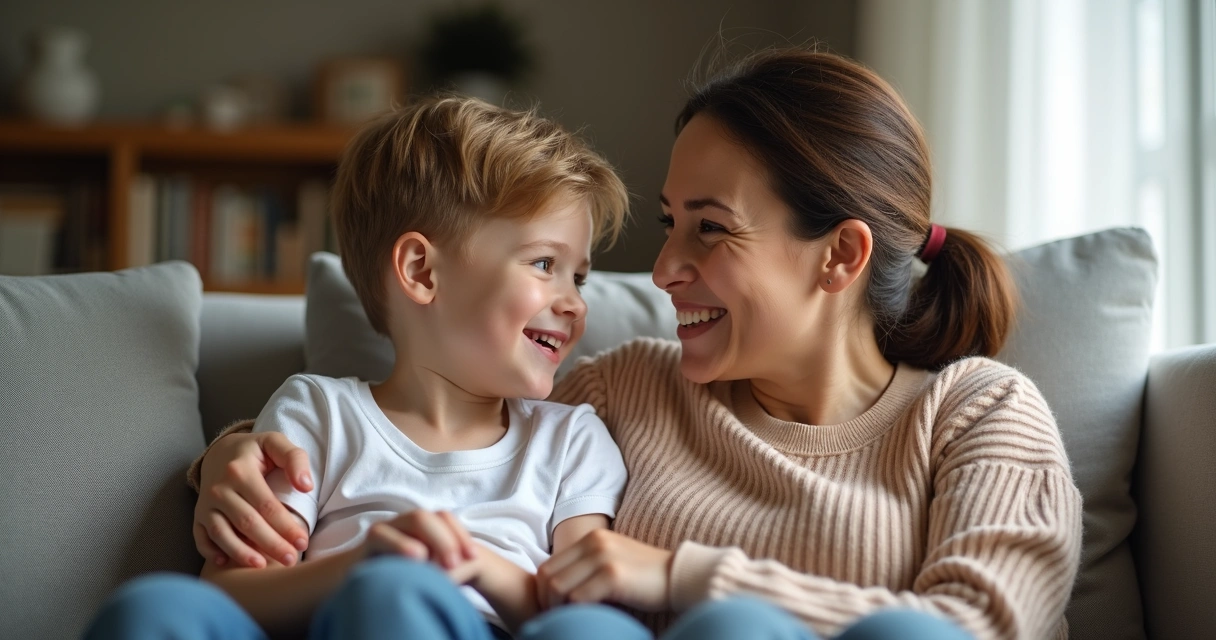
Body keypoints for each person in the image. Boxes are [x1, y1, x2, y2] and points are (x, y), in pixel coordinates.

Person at [183, 48, 1084, 640]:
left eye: (710, 229)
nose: (660, 271)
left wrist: (683, 577)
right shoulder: (622, 393)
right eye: (667, 225)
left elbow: (985, 629)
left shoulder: (977, 413)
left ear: (840, 255)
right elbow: (446, 427)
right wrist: (229, 462)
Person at [85, 96, 632, 639]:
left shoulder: (570, 441)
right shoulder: (319, 413)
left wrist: (472, 568)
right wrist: (358, 565)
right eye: (544, 265)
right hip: (337, 620)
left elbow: (581, 606)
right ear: (420, 270)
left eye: (578, 277)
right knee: (151, 608)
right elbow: (229, 592)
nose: (574, 302)